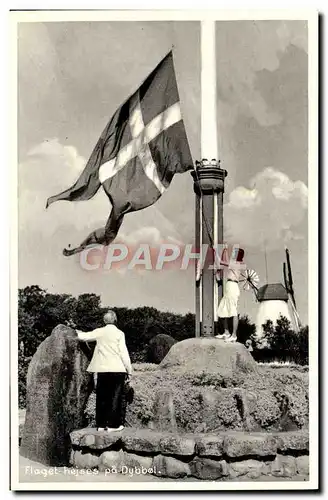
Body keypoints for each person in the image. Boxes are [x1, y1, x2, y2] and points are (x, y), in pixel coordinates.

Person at [76, 310, 132, 432]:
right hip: (117, 369)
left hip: (102, 369)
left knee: (102, 397)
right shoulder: (119, 333)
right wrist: (129, 370)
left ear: (104, 320)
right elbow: (123, 352)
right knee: (115, 397)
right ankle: (113, 425)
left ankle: (100, 424)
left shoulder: (100, 331)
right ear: (115, 320)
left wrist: (74, 331)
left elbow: (83, 336)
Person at [215, 247, 245, 343]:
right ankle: (226, 332)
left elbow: (221, 261)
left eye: (234, 253)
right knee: (224, 309)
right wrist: (225, 250)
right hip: (229, 286)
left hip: (232, 286)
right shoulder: (235, 263)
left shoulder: (236, 264)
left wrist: (215, 250)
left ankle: (234, 335)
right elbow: (225, 261)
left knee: (233, 311)